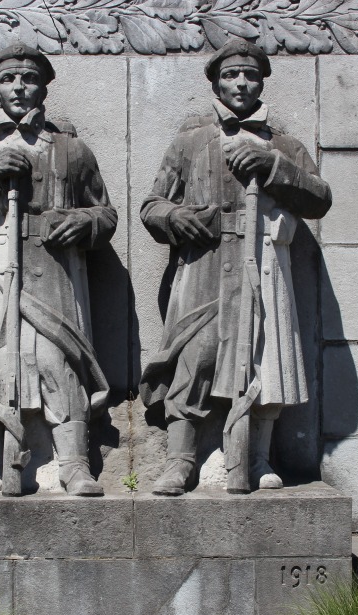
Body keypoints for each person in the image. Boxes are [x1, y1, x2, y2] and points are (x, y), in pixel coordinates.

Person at [139, 38, 332, 495]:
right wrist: (174, 217)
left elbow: (319, 199)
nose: (241, 83)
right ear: (216, 83)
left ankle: (257, 457)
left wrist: (273, 165)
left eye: (250, 74)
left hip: (263, 263)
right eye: (231, 75)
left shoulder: (283, 144)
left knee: (265, 359)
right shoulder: (190, 142)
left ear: (262, 80)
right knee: (195, 357)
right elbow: (151, 205)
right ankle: (180, 461)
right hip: (203, 262)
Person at [0, 44, 117, 496]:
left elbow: (106, 213)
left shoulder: (70, 149)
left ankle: (74, 464)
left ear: (44, 86)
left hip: (53, 268)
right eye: (9, 79)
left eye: (29, 78)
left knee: (59, 363)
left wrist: (81, 222)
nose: (19, 87)